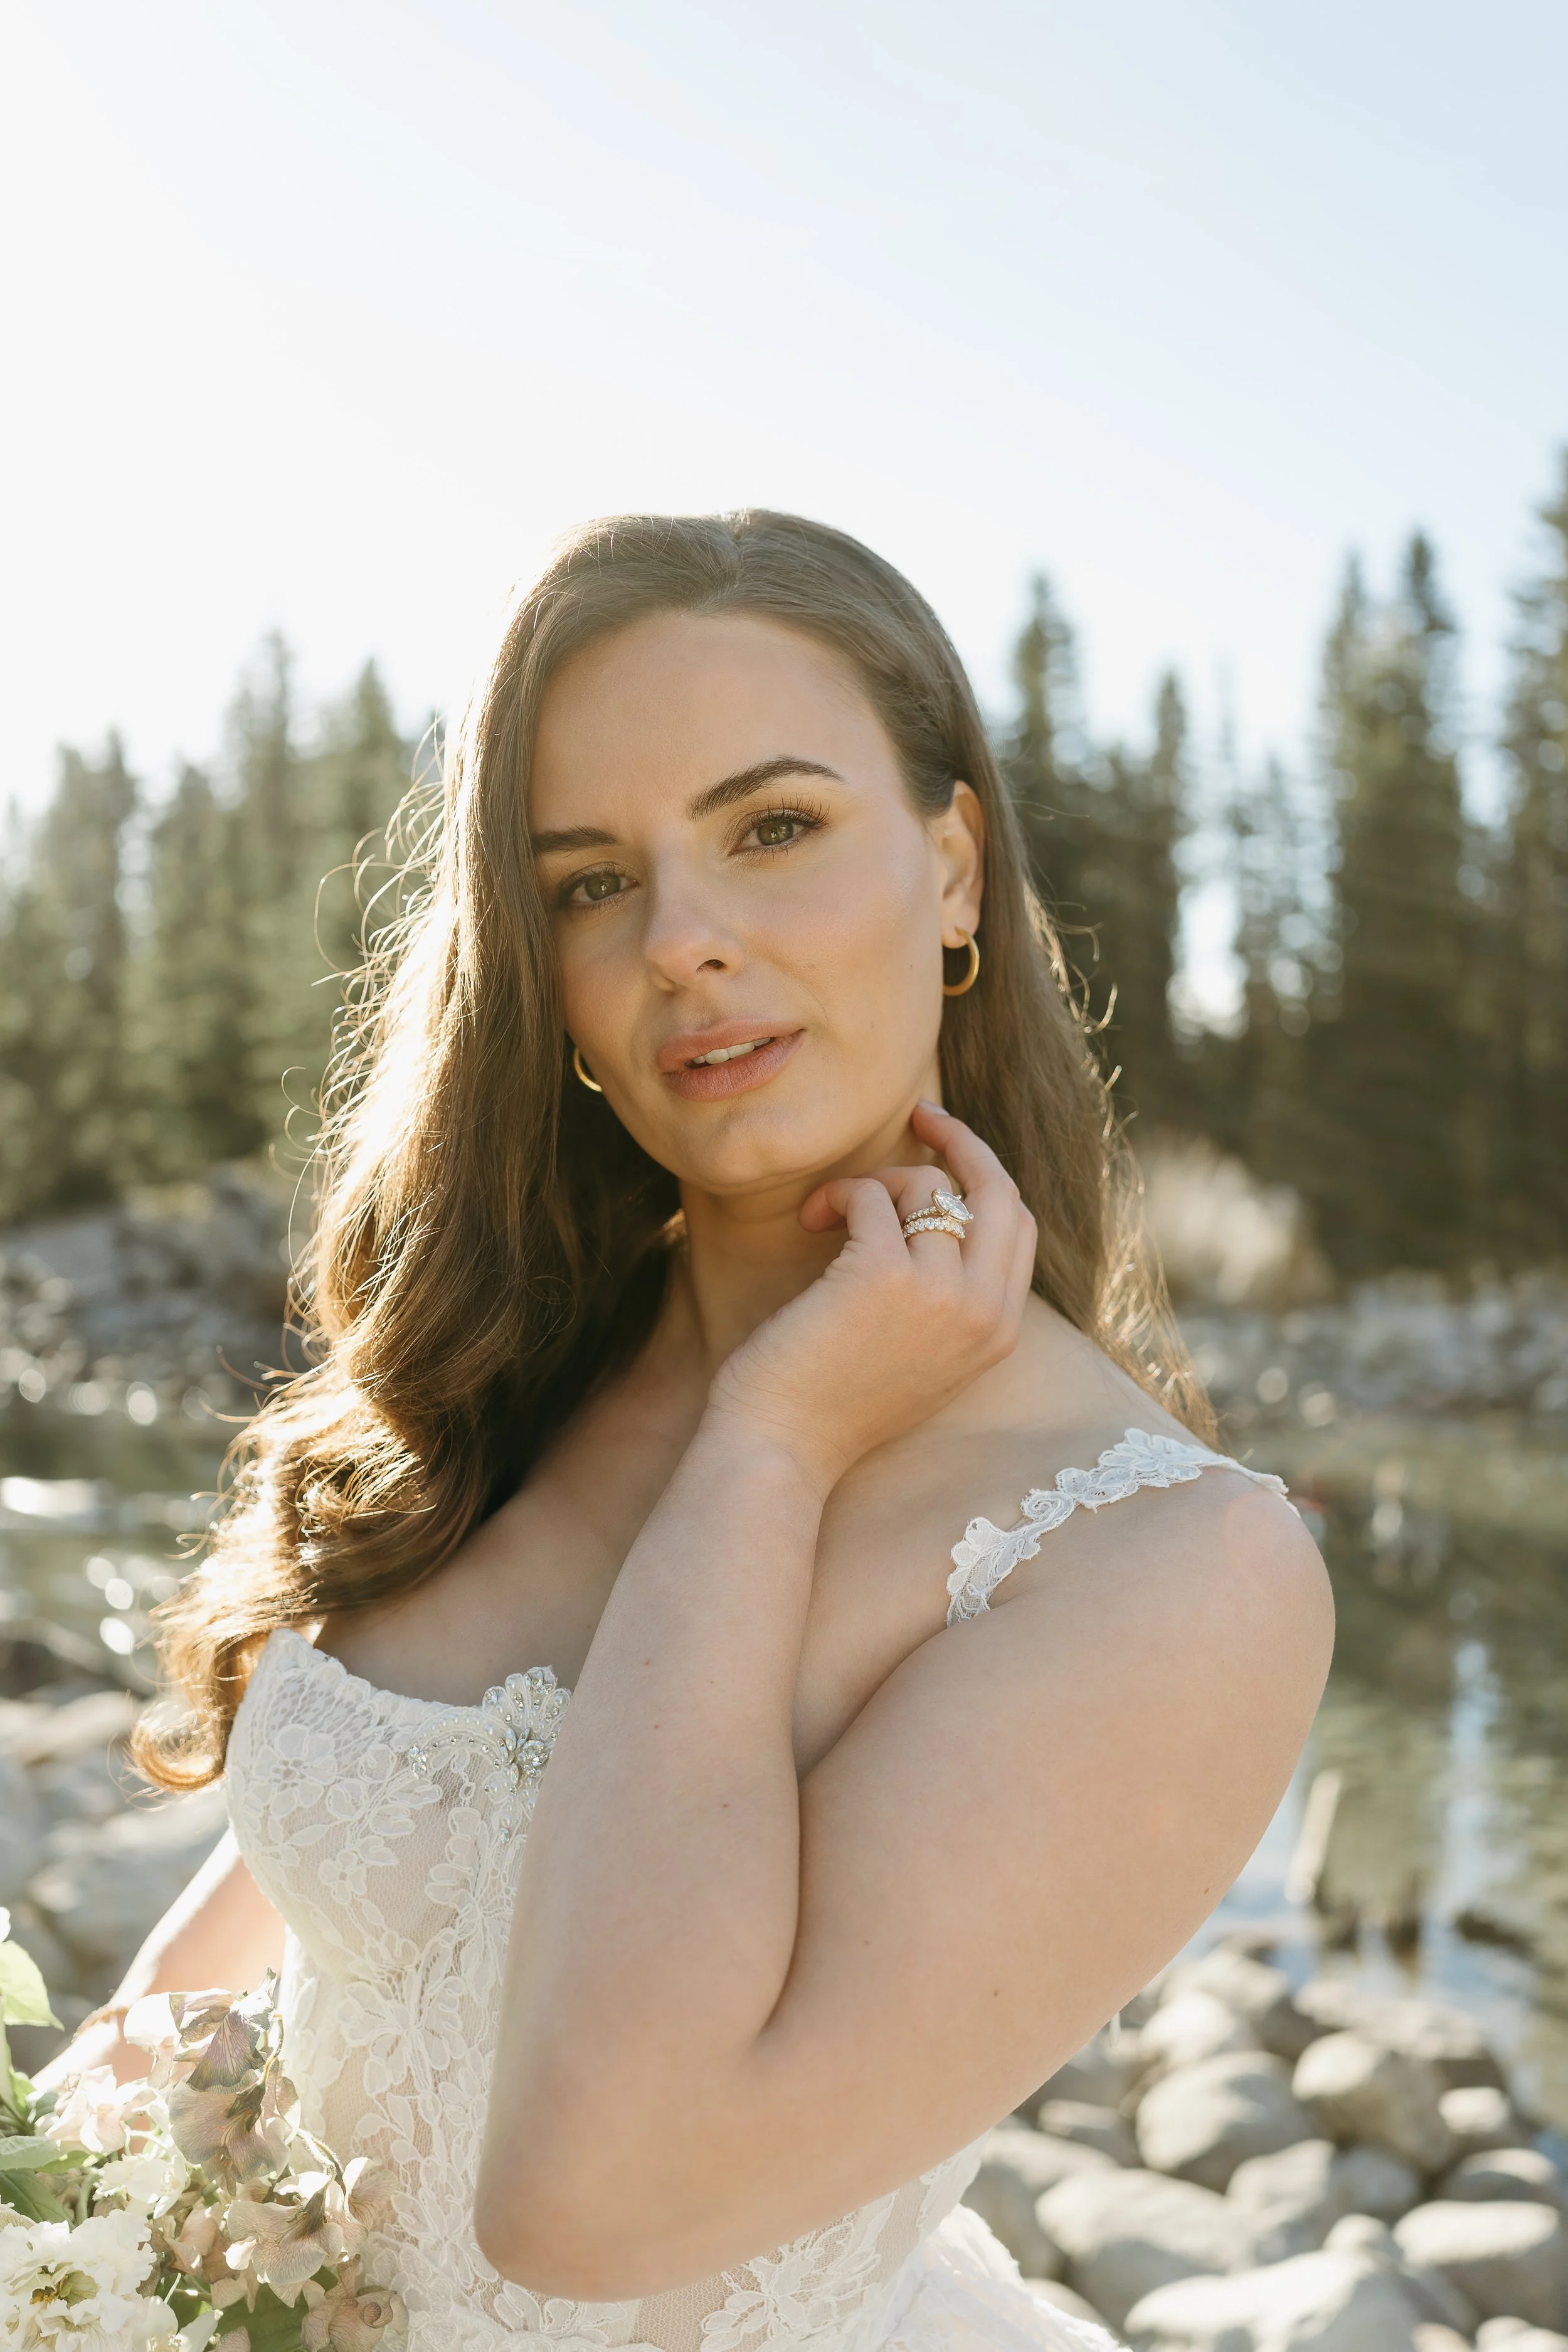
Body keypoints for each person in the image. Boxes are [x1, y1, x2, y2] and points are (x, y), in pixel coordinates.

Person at [56, 512, 1332, 2349]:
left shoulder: (1172, 1566)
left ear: (954, 867)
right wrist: (65, 2232)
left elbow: (600, 2199)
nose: (683, 943)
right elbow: (254, 1945)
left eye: (773, 828)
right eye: (589, 883)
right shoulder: (513, 1359)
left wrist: (772, 1447)